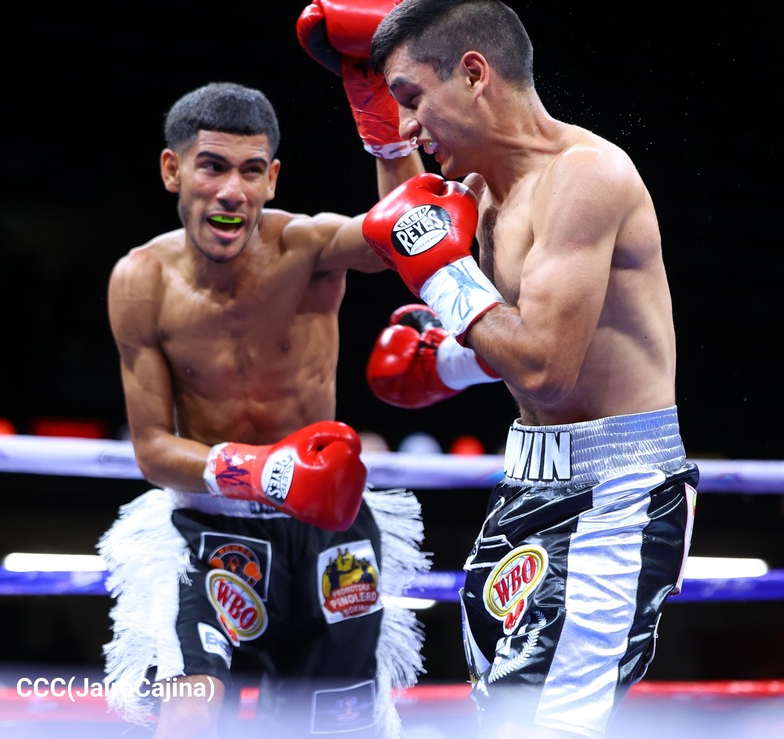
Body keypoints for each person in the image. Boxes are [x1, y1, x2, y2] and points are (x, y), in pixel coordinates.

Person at [360, 1, 699, 737]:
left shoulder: (586, 176)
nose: (408, 126)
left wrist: (444, 276)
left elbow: (545, 367)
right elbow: (408, 226)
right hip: (524, 482)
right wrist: (371, 115)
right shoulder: (483, 188)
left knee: (544, 724)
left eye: (412, 99)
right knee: (501, 710)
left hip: (616, 492)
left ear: (473, 74)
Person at [96, 5, 429, 738]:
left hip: (328, 529)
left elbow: (411, 239)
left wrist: (382, 123)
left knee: (334, 730)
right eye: (212, 166)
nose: (231, 192)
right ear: (172, 169)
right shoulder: (140, 281)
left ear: (272, 178)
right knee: (187, 714)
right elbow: (153, 450)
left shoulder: (308, 249)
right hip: (205, 527)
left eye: (251, 171)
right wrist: (263, 471)